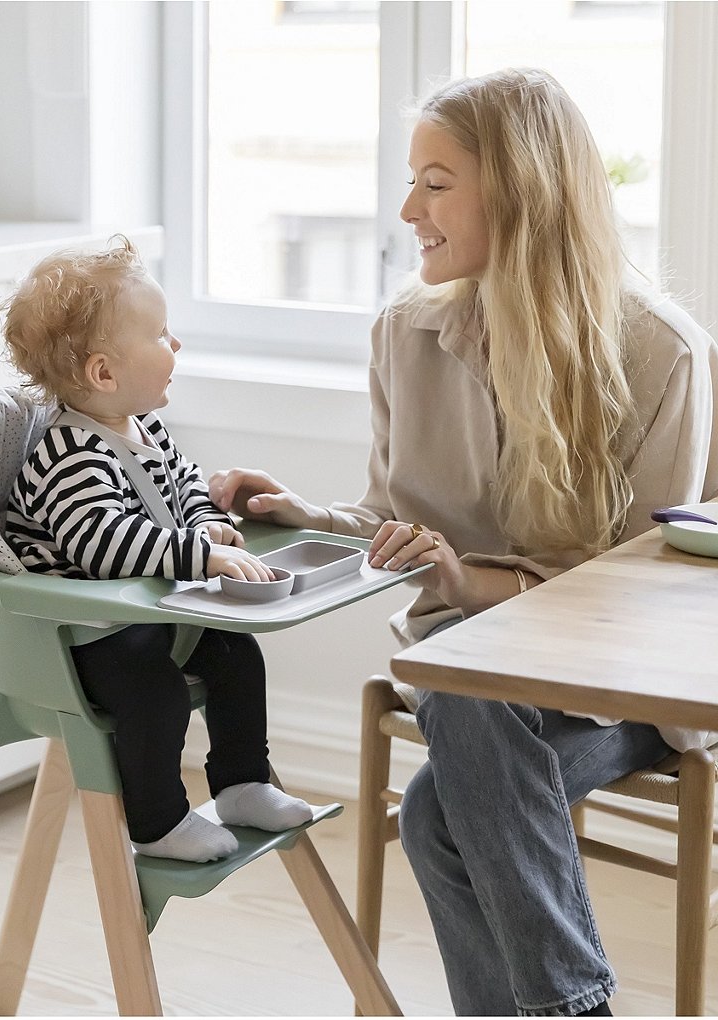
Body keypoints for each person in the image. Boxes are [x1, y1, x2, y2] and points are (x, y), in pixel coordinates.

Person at [209, 69, 718, 1015]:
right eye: (412, 181)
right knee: (465, 689)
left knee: (445, 800)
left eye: (436, 183)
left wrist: (464, 580)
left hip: (615, 690)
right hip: (469, 675)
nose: (408, 209)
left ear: (522, 190)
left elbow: (640, 601)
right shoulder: (405, 333)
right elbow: (397, 521)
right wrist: (306, 514)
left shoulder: (662, 352)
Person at [2, 237, 312, 864]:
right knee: (155, 693)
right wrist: (200, 558)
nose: (176, 345)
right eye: (162, 335)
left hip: (146, 613)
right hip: (83, 632)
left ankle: (242, 782)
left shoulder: (145, 429)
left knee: (236, 654)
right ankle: (158, 821)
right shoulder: (69, 455)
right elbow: (102, 545)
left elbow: (186, 489)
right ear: (105, 373)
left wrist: (210, 528)